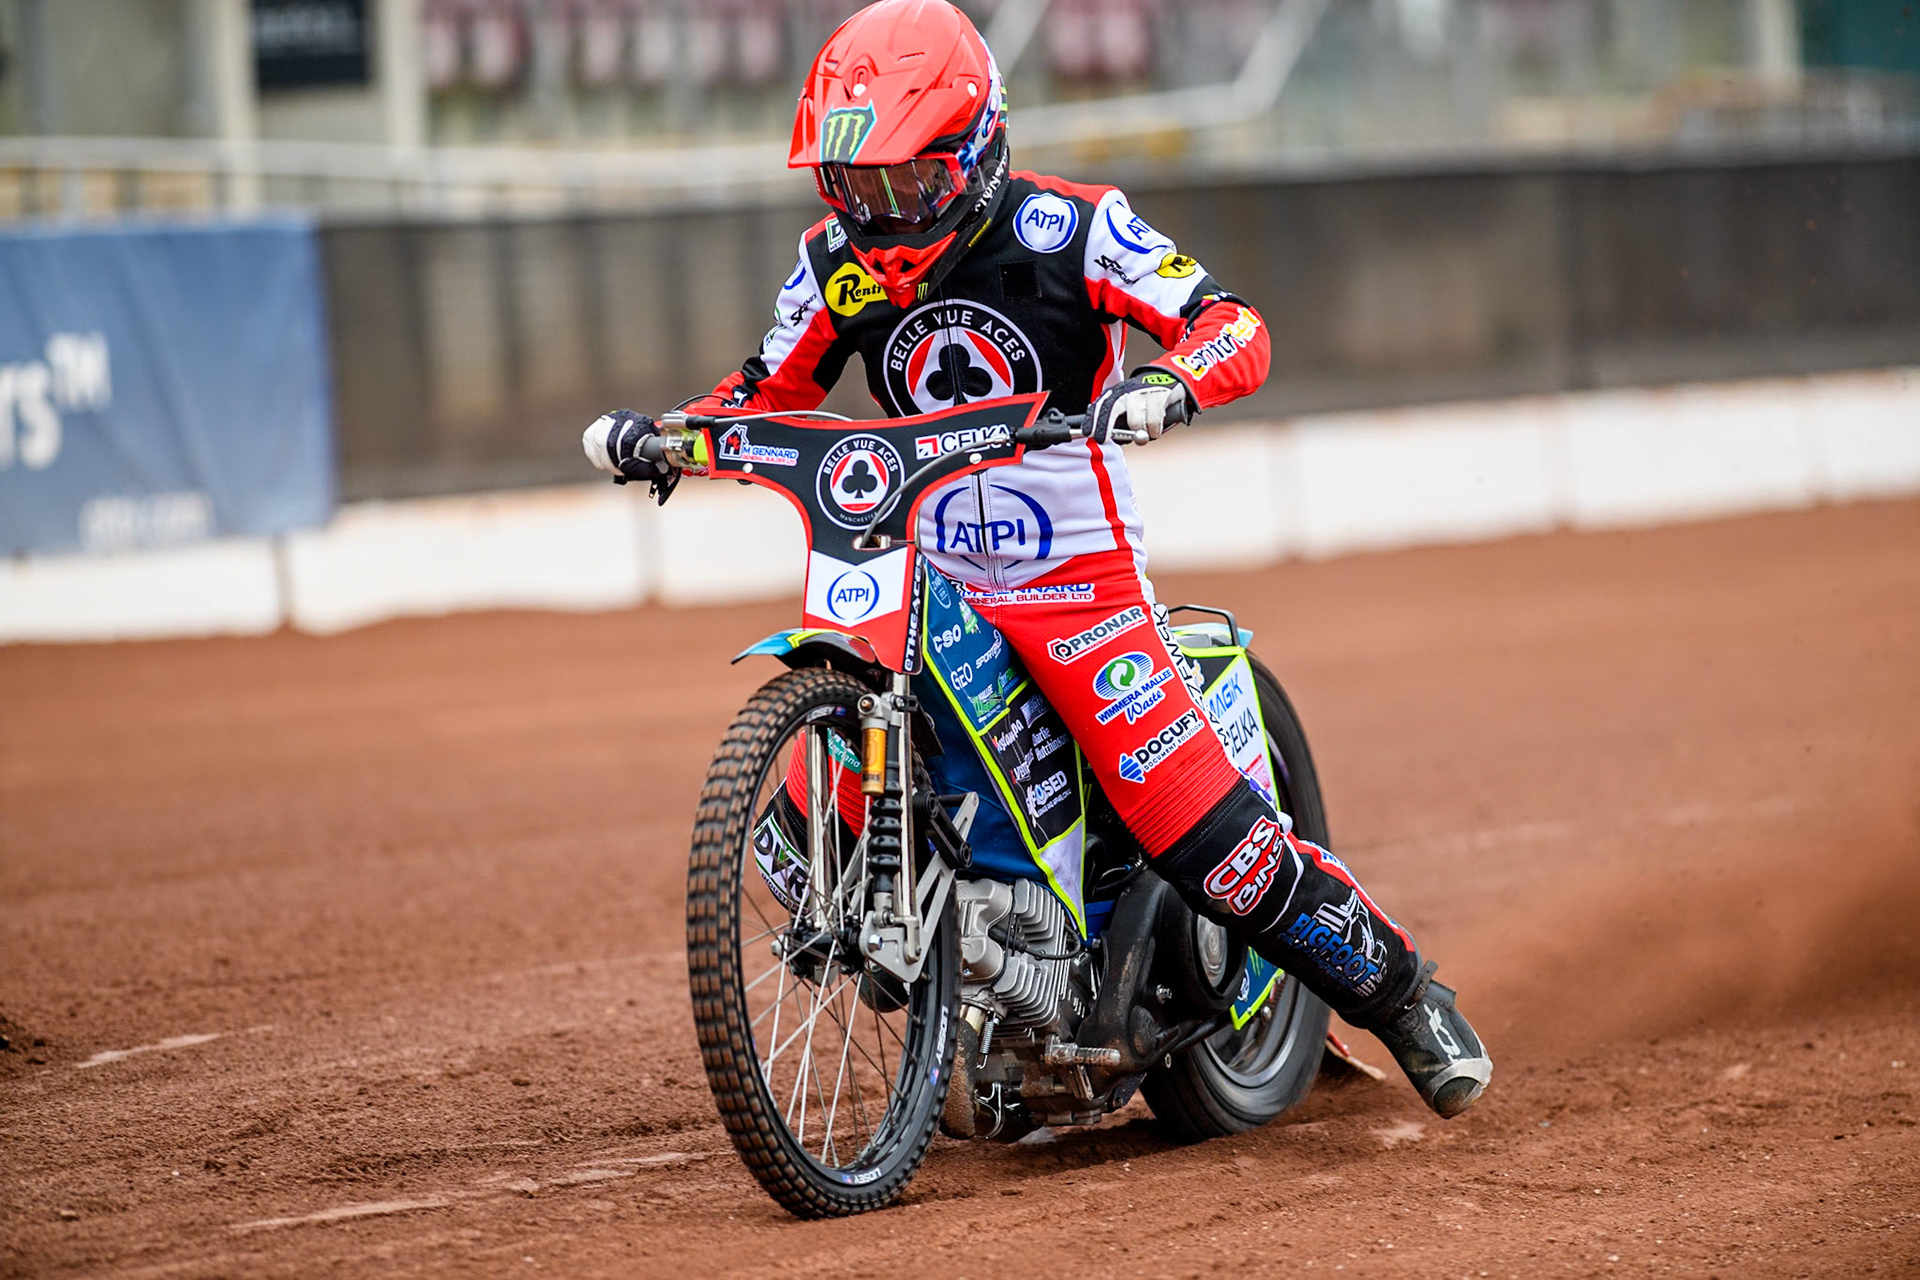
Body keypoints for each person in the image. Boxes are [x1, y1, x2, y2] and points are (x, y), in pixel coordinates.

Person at [583, 0, 1490, 1118]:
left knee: (1202, 838)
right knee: (795, 848)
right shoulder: (835, 268)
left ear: (976, 150)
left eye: (906, 183)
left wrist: (1171, 382)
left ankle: (1402, 990)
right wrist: (669, 434)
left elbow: (1231, 319)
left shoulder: (1076, 228)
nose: (879, 212)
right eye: (855, 186)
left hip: (1082, 588)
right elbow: (760, 393)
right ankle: (984, 991)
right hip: (926, 575)